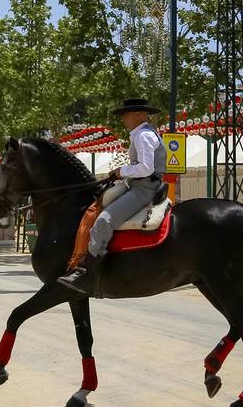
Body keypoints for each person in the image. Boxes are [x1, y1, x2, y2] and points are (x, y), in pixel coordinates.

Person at [59, 98, 165, 294]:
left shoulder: (143, 136)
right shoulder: (142, 134)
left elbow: (146, 168)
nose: (123, 118)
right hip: (137, 185)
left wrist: (121, 171)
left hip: (143, 189)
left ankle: (87, 274)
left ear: (139, 114)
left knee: (104, 221)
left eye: (126, 114)